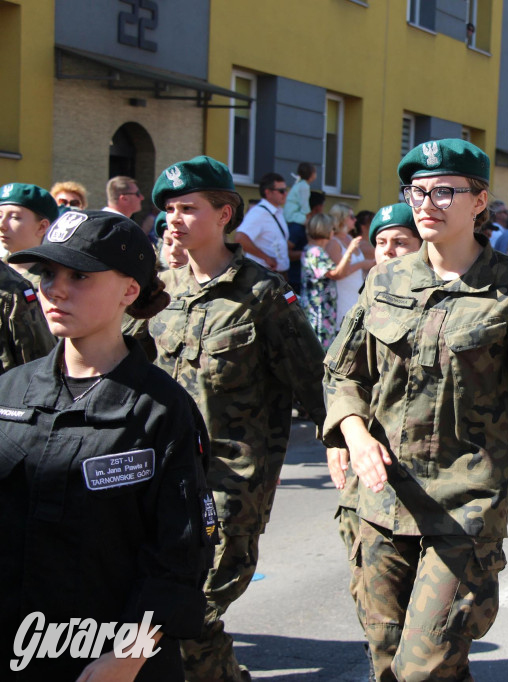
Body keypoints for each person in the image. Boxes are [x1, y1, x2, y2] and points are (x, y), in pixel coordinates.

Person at [322, 139, 508, 682]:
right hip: (382, 504)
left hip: (464, 508)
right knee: (388, 662)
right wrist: (354, 435)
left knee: (423, 666)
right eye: (417, 191)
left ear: (480, 201)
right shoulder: (385, 281)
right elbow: (343, 372)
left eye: (444, 191)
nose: (426, 203)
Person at [0, 209, 215, 680]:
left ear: (129, 290)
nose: (55, 288)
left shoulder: (161, 410)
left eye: (79, 275)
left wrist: (127, 656)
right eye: (48, 273)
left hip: (108, 659)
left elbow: (180, 552)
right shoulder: (9, 393)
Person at [149, 155, 329, 680]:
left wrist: (344, 446)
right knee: (159, 609)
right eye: (169, 210)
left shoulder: (263, 294)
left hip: (232, 482)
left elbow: (313, 382)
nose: (174, 219)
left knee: (194, 610)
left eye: (188, 208)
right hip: (162, 476)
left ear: (225, 213)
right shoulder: (157, 291)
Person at [300, 213, 363, 350]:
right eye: (331, 229)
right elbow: (336, 274)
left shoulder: (313, 249)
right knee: (321, 351)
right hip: (319, 311)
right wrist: (349, 251)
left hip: (320, 309)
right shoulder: (316, 252)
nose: (333, 232)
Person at [235, 172, 291, 278]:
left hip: (280, 276)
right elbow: (240, 238)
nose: (285, 194)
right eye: (281, 191)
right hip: (264, 275)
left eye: (285, 190)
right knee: (286, 295)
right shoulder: (259, 213)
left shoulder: (278, 212)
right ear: (268, 192)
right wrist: (266, 258)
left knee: (289, 295)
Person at [0, 183, 58, 286]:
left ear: (42, 227)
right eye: (0, 216)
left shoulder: (53, 281)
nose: (2, 225)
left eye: (14, 217)